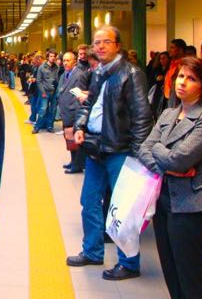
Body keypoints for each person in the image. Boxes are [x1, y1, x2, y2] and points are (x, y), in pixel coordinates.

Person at [66, 25, 154, 281]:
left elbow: (141, 117)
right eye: (97, 42)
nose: (100, 46)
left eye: (106, 41)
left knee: (122, 209)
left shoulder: (132, 74)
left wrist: (138, 156)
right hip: (96, 149)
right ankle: (92, 251)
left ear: (118, 45)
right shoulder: (98, 74)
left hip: (121, 151)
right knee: (89, 202)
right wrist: (81, 126)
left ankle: (128, 263)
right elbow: (90, 104)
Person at [138, 57, 202, 299]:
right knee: (170, 270)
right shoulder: (169, 113)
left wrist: (162, 154)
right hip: (164, 200)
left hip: (193, 206)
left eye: (191, 78)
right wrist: (167, 163)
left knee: (190, 274)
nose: (183, 83)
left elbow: (179, 159)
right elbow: (143, 149)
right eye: (180, 76)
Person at [57, 52, 88, 173]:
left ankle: (77, 165)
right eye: (64, 60)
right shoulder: (65, 74)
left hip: (73, 114)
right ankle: (73, 161)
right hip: (66, 114)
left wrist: (76, 116)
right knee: (69, 140)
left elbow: (79, 97)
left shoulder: (79, 75)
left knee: (75, 141)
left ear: (75, 61)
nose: (65, 63)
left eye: (68, 60)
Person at [33, 50, 59, 134]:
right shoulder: (42, 67)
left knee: (53, 110)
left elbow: (58, 80)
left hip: (54, 92)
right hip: (45, 92)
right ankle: (37, 126)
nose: (53, 58)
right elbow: (39, 81)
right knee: (43, 110)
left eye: (54, 56)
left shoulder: (57, 67)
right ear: (48, 57)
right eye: (51, 56)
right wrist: (42, 91)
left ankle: (50, 126)